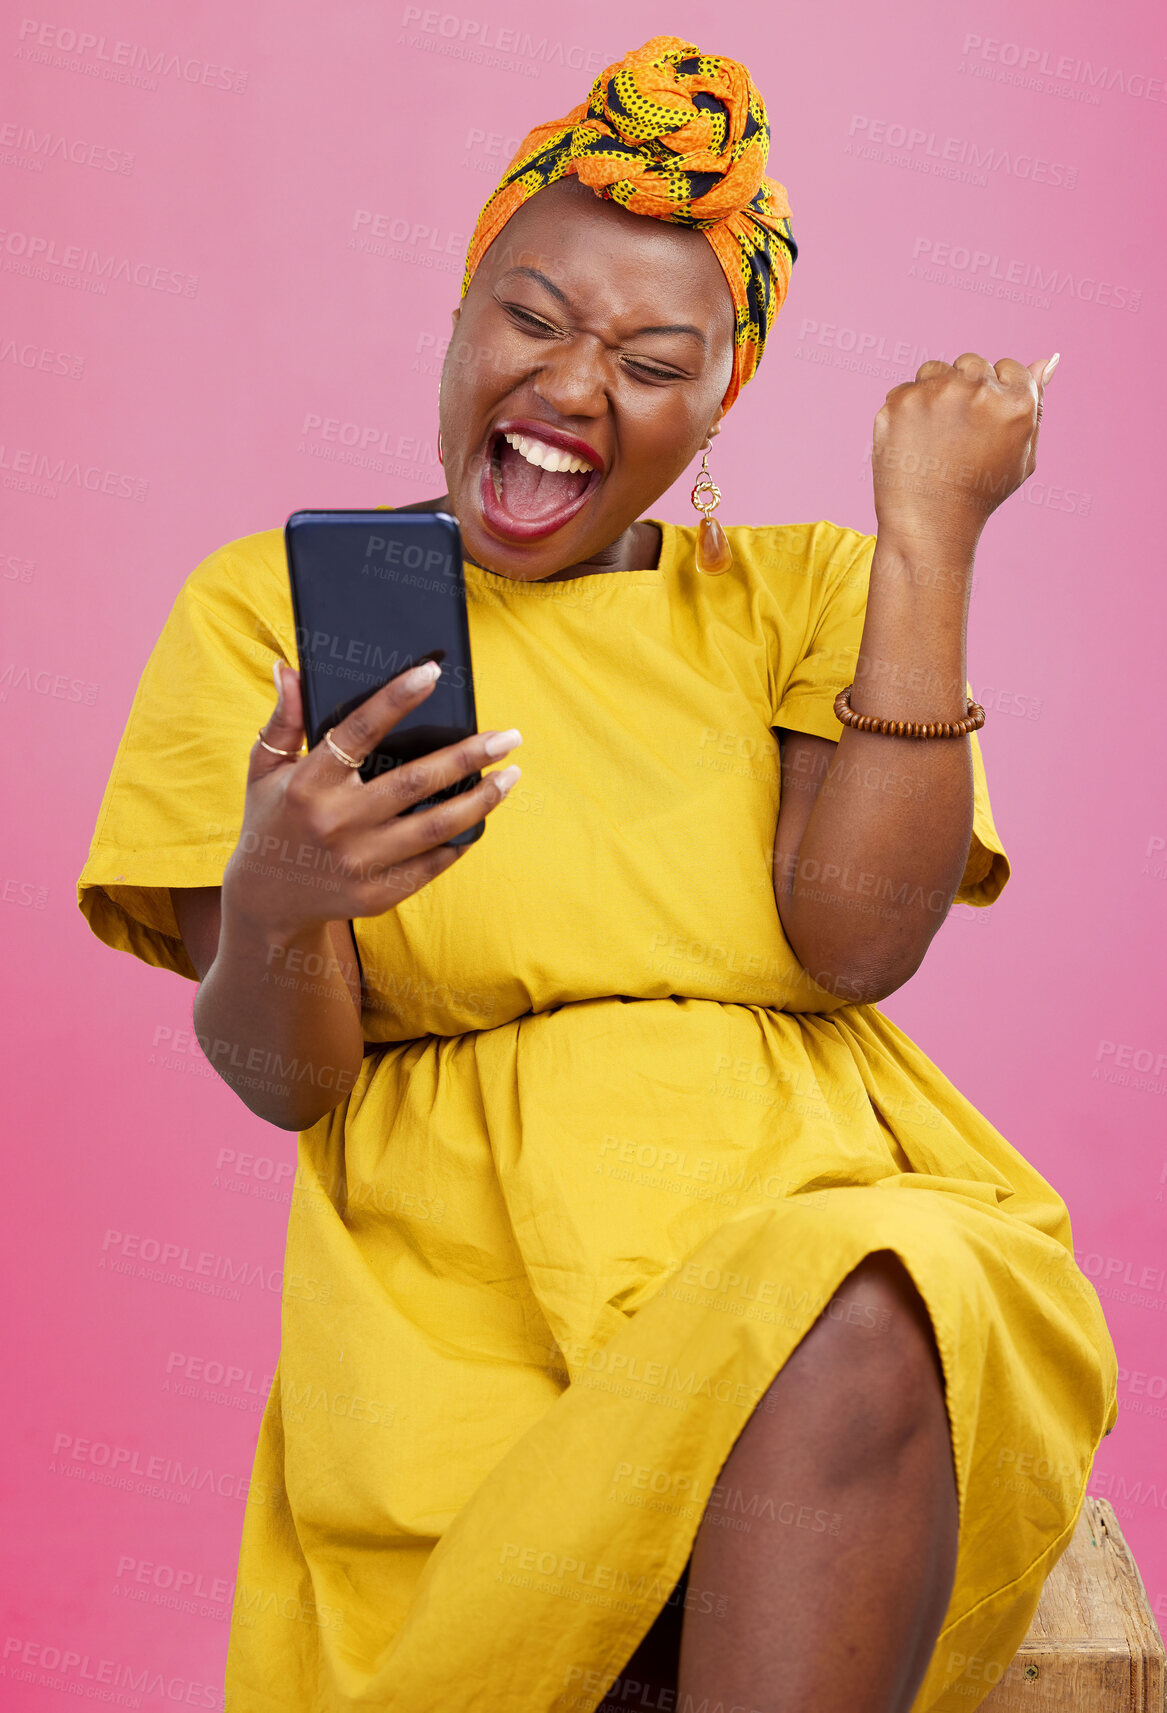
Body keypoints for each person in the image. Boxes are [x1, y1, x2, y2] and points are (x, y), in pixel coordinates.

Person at [78, 34, 1117, 1713]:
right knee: (836, 1301)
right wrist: (278, 897)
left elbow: (854, 945)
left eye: (652, 356)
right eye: (535, 317)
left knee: (862, 1284)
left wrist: (929, 539)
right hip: (457, 1333)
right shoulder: (266, 612)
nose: (572, 386)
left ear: (718, 406)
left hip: (801, 1230)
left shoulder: (794, 597)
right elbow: (288, 1082)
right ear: (461, 315)